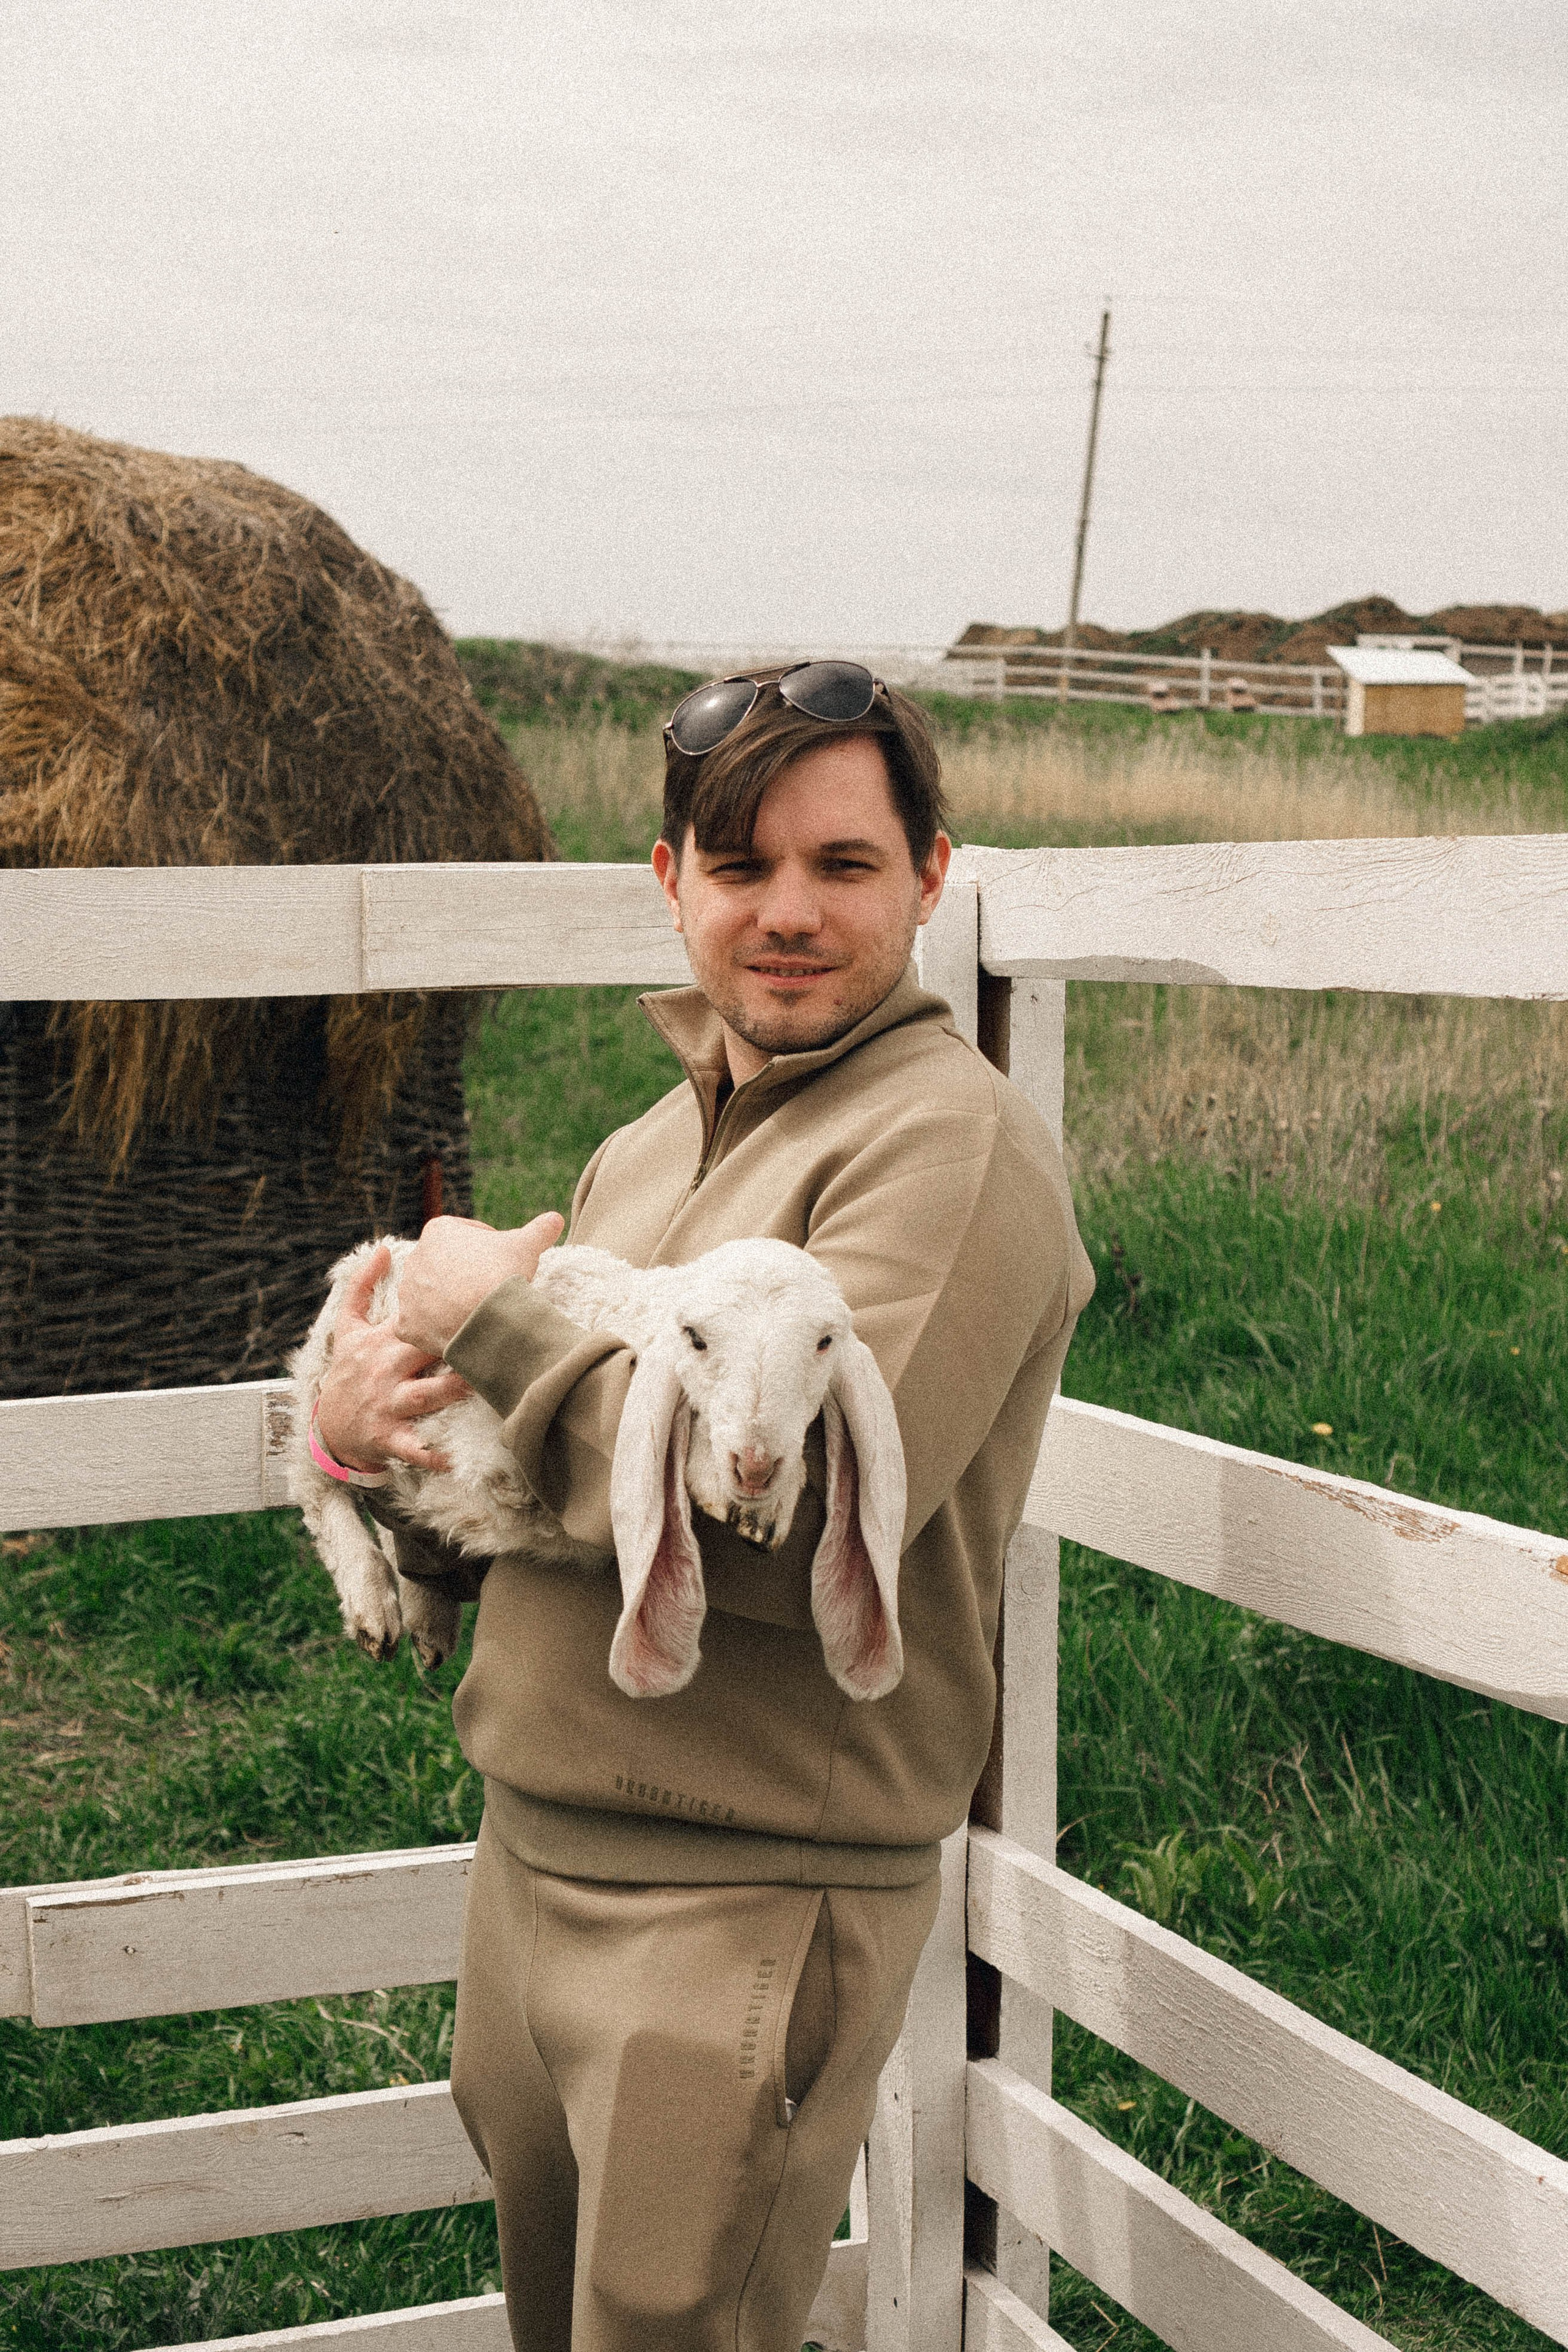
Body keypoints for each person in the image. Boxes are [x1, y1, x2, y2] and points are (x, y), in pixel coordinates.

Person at [314, 661, 1094, 2352]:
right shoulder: (637, 1155)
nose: (790, 912)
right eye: (741, 867)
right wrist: (375, 1454)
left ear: (932, 873)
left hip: (741, 1895)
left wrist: (482, 1318)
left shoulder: (950, 1154)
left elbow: (783, 1513)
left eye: (845, 864)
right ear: (671, 881)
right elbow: (536, 1489)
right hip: (538, 1853)